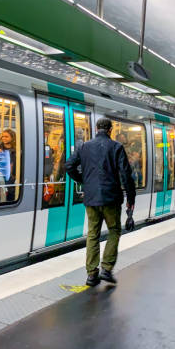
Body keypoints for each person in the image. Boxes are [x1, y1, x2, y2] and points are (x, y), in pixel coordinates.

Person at [65, 118, 136, 287]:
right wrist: (130, 199)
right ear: (110, 130)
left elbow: (69, 165)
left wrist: (84, 181)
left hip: (91, 199)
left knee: (92, 234)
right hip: (111, 198)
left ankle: (91, 274)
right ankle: (106, 268)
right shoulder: (116, 147)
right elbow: (126, 175)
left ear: (96, 129)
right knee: (114, 231)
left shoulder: (84, 146)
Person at [0, 128, 17, 201]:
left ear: (12, 138)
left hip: (11, 177)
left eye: (6, 136)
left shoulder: (16, 150)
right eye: (2, 136)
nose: (4, 138)